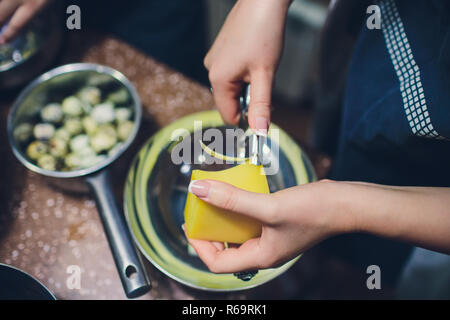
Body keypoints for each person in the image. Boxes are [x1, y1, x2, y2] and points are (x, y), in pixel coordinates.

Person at [184, 0, 450, 296]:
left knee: (364, 271)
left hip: (429, 199)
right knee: (332, 139)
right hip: (380, 38)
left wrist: (342, 210)